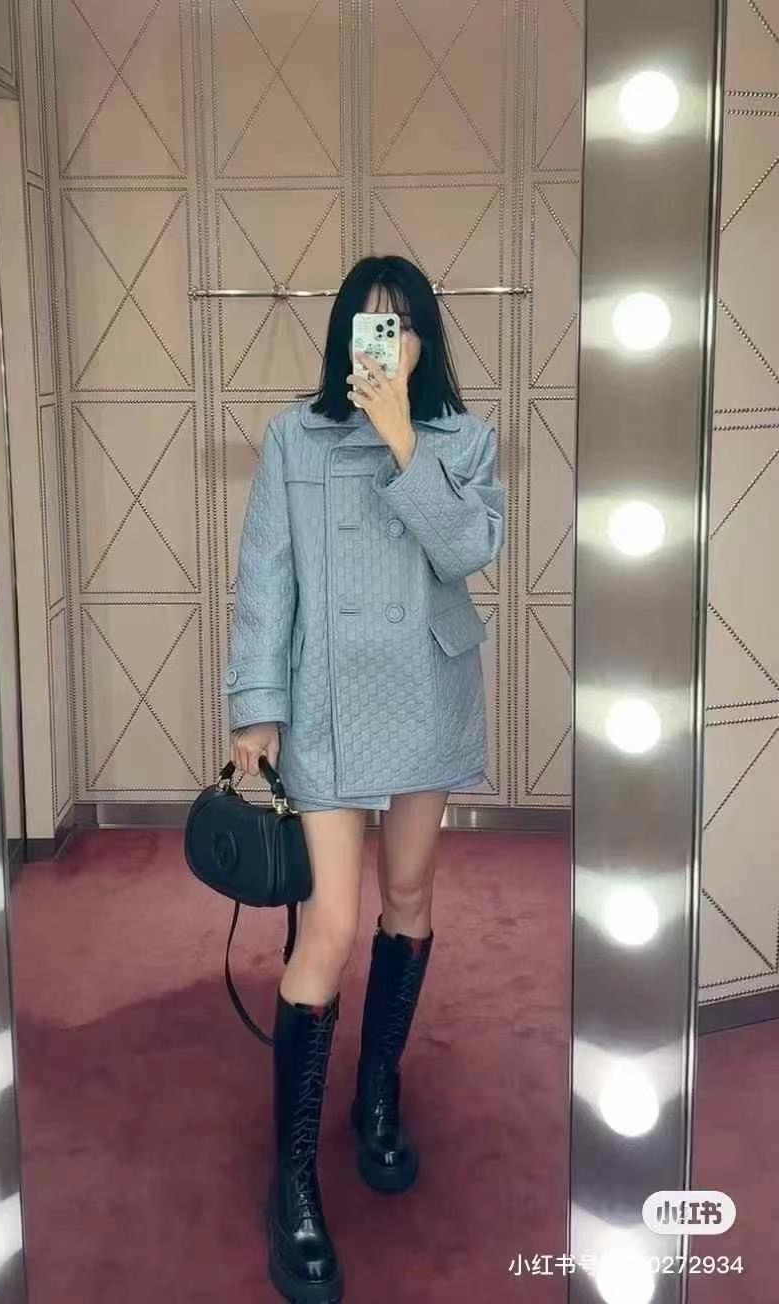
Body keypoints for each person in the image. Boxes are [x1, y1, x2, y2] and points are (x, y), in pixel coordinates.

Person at [223, 254, 506, 1303]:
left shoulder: (462, 439)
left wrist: (402, 442)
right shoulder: (294, 437)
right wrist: (257, 705)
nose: (382, 342)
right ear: (343, 336)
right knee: (328, 927)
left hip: (424, 687)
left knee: (411, 895)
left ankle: (377, 1088)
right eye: (365, 325)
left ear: (425, 339)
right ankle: (292, 1178)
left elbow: (469, 552)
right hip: (330, 700)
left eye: (400, 325)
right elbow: (265, 575)